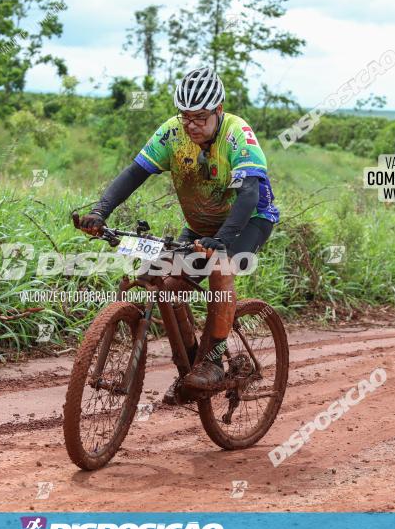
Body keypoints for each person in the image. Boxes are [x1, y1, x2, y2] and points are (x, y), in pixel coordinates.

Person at [78, 66, 278, 403]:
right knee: (167, 282)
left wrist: (224, 240)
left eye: (200, 117)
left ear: (218, 110)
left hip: (249, 220)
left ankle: (213, 362)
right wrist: (100, 212)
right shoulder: (172, 134)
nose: (191, 125)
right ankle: (191, 366)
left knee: (220, 266)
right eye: (185, 116)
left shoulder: (237, 133)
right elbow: (133, 174)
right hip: (201, 225)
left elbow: (248, 195)